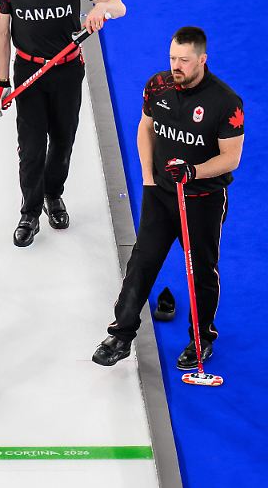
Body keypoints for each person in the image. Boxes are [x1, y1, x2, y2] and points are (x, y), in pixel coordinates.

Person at [93, 27, 243, 369]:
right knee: (142, 262)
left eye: (184, 60)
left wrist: (194, 171)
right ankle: (121, 333)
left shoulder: (225, 102)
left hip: (202, 199)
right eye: (173, 58)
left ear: (202, 60)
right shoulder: (157, 86)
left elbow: (231, 157)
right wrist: (148, 177)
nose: (176, 65)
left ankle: (201, 338)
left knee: (201, 271)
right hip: (161, 194)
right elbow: (146, 127)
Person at [0, 0, 126, 246]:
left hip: (66, 70)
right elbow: (0, 32)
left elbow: (118, 4)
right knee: (32, 146)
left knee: (62, 142)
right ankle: (30, 211)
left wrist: (101, 12)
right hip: (28, 71)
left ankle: (54, 195)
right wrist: (1, 81)